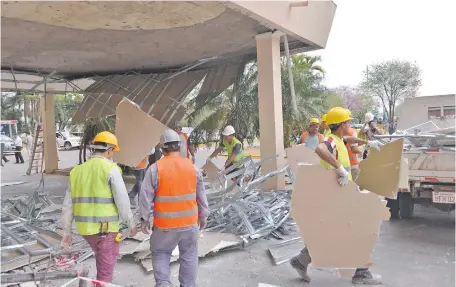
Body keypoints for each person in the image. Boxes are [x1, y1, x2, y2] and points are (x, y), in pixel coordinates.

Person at [290, 107, 382, 285]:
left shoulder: (339, 138)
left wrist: (367, 143)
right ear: (341, 124)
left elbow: (349, 139)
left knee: (329, 233)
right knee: (359, 229)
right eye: (348, 121)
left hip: (339, 195)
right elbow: (320, 149)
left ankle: (300, 261)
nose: (349, 123)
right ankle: (362, 272)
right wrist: (340, 169)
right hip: (335, 197)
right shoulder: (331, 141)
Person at [60, 131, 137, 283]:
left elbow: (67, 205)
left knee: (102, 262)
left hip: (85, 230)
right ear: (109, 150)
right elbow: (122, 201)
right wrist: (131, 224)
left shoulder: (77, 171)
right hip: (105, 230)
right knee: (105, 273)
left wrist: (66, 233)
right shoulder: (111, 169)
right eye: (113, 151)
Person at [139, 129, 209, 287]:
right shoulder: (192, 167)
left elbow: (145, 197)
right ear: (179, 146)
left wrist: (145, 219)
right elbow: (201, 195)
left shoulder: (155, 169)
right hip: (189, 225)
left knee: (161, 254)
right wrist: (203, 215)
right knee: (189, 255)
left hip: (164, 227)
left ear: (162, 149)